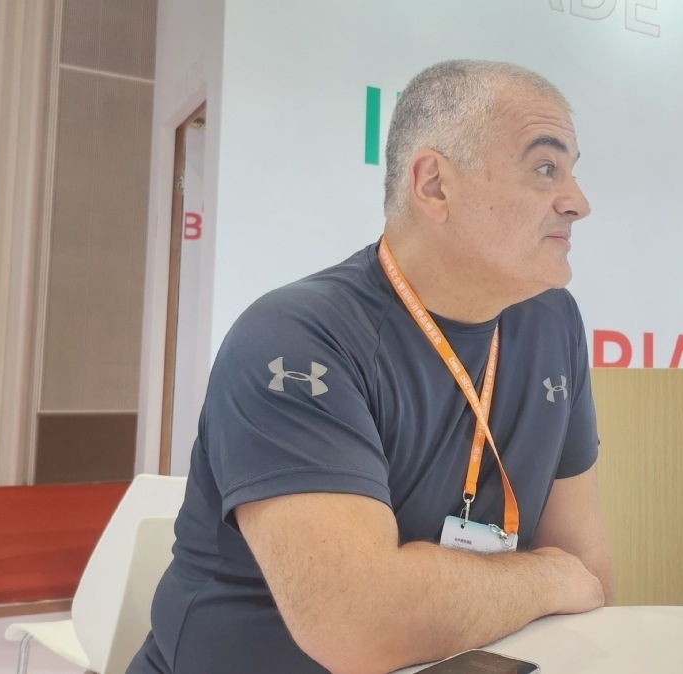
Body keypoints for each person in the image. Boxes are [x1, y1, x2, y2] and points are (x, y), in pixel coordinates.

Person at [128, 59, 613, 674]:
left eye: (572, 172)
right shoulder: (298, 336)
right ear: (434, 185)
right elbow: (359, 626)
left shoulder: (553, 322)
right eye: (545, 169)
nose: (578, 203)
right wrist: (545, 578)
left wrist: (534, 582)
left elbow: (588, 574)